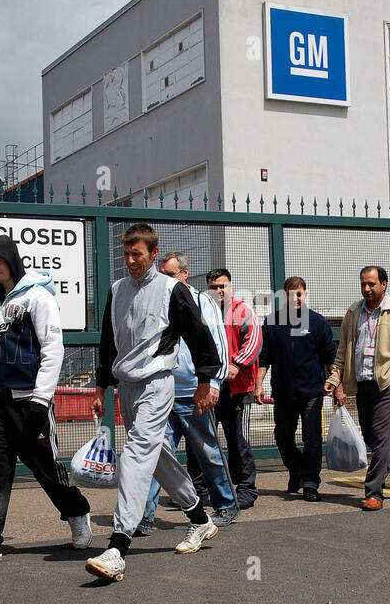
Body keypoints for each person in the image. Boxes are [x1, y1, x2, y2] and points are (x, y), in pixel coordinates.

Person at [85, 223, 223, 583]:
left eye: (138, 254)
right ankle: (200, 520)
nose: (130, 260)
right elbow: (108, 341)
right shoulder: (116, 290)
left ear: (152, 252)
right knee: (156, 455)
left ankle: (118, 546)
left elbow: (199, 334)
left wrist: (206, 380)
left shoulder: (171, 289)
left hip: (157, 384)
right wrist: (101, 386)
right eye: (126, 253)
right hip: (127, 388)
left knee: (135, 454)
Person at [0, 235, 92, 565]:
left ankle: (76, 511)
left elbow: (52, 349)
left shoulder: (38, 297)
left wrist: (41, 400)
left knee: (45, 469)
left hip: (30, 400)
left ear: (12, 261)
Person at [139, 252, 241, 533]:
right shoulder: (155, 301)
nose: (165, 280)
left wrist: (213, 384)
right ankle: (144, 516)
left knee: (208, 452)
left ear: (185, 274)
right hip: (162, 393)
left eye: (170, 275)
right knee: (157, 457)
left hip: (194, 393)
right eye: (162, 275)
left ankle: (226, 505)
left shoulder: (202, 301)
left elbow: (217, 345)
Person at [324, 265, 390, 510]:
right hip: (363, 385)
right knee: (372, 437)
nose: (366, 289)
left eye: (371, 284)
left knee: (382, 440)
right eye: (363, 284)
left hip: (387, 387)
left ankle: (374, 493)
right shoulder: (353, 312)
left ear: (384, 285)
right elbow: (343, 352)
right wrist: (335, 379)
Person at [254, 277, 336, 502]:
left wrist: (336, 384)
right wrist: (258, 384)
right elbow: (264, 357)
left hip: (311, 392)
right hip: (283, 393)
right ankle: (297, 469)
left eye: (299, 294)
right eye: (291, 294)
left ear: (305, 295)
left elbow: (330, 357)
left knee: (312, 440)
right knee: (282, 438)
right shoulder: (272, 323)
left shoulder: (318, 323)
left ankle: (310, 484)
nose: (296, 298)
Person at [204, 267, 262, 509]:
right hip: (208, 389)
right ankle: (201, 490)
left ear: (230, 287)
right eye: (214, 286)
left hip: (238, 390)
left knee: (239, 442)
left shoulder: (243, 310)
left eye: (223, 286)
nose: (219, 290)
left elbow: (255, 339)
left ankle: (247, 489)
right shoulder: (203, 312)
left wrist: (236, 364)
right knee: (205, 441)